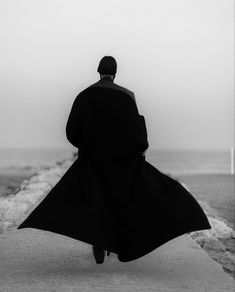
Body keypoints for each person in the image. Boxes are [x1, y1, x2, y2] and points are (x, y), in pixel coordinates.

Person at [17, 56, 211, 264]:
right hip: (122, 162)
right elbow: (138, 133)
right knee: (121, 204)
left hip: (92, 160)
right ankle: (122, 245)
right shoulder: (128, 96)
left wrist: (88, 145)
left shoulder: (84, 95)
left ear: (98, 71)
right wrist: (137, 151)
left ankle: (99, 243)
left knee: (96, 203)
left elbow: (71, 132)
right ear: (115, 73)